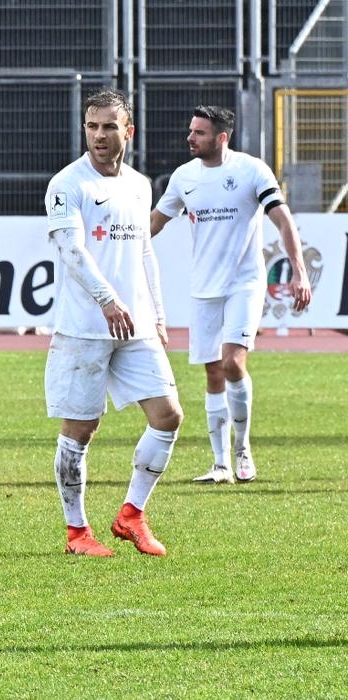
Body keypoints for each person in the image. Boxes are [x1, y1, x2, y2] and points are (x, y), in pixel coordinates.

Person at [44, 88, 183, 558]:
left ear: (129, 131)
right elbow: (72, 250)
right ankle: (77, 533)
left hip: (135, 326)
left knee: (168, 416)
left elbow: (144, 252)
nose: (98, 135)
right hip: (84, 327)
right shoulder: (68, 183)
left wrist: (157, 315)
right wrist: (106, 300)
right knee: (80, 430)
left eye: (108, 126)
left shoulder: (140, 185)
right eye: (91, 126)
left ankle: (132, 515)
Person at [150, 105, 312, 484]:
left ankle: (242, 448)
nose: (190, 138)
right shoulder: (184, 177)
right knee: (213, 372)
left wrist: (299, 271)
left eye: (199, 133)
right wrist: (120, 244)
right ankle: (220, 464)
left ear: (222, 138)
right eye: (191, 131)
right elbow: (155, 223)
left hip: (244, 283)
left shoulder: (251, 170)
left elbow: (283, 219)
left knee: (233, 364)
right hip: (203, 287)